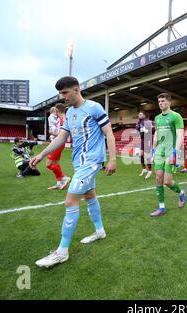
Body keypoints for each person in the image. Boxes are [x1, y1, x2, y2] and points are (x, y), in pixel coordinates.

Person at [31, 76, 116, 268]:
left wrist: (112, 159)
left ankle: (62, 251)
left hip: (92, 162)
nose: (62, 97)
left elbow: (109, 132)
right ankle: (100, 231)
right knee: (90, 196)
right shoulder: (69, 113)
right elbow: (61, 137)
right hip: (79, 163)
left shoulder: (94, 108)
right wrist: (42, 155)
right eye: (60, 93)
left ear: (76, 89)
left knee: (70, 201)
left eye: (64, 92)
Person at [149, 93, 186, 217]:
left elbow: (180, 134)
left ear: (169, 103)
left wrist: (176, 151)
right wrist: (153, 150)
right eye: (159, 101)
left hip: (171, 151)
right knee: (158, 177)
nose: (160, 103)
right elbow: (156, 134)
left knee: (167, 181)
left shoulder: (176, 116)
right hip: (160, 151)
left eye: (163, 101)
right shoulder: (157, 118)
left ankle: (181, 192)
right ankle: (161, 207)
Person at [46, 103, 71, 190]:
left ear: (56, 111)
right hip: (58, 143)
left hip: (58, 143)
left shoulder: (62, 120)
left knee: (48, 165)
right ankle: (59, 183)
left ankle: (64, 177)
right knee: (55, 164)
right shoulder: (61, 119)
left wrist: (52, 133)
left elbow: (61, 135)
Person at [135, 111, 153, 179]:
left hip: (148, 140)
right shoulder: (139, 122)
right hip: (142, 140)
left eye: (141, 114)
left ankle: (150, 170)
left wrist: (147, 130)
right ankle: (144, 169)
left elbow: (153, 129)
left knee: (147, 156)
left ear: (144, 115)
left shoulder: (148, 122)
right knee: (140, 155)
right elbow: (137, 128)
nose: (139, 115)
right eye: (139, 114)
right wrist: (140, 129)